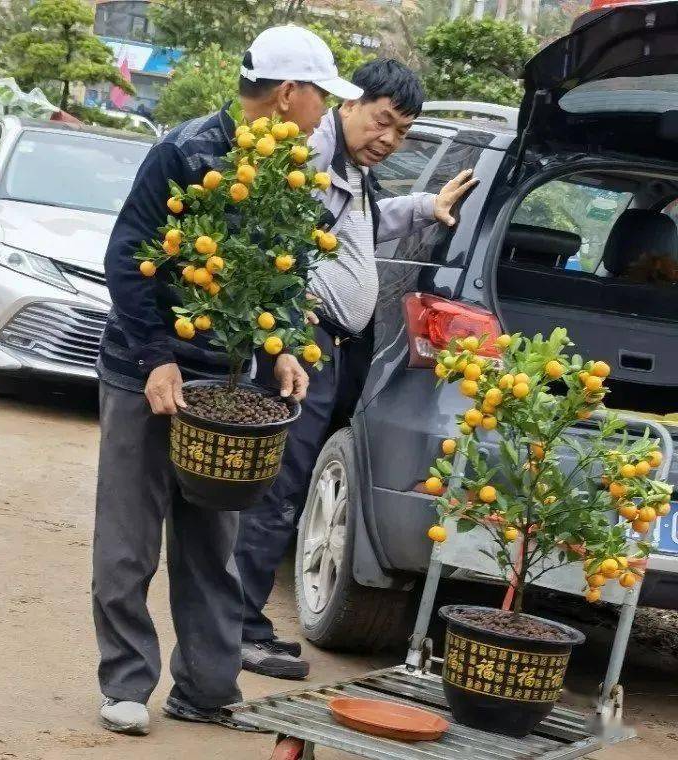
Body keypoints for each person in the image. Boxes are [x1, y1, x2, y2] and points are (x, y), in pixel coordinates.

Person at [93, 25, 363, 737]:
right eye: (320, 99)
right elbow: (128, 259)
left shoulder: (286, 174)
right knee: (129, 536)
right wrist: (157, 356)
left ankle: (206, 688)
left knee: (213, 539)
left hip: (226, 383)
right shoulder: (185, 154)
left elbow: (280, 274)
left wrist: (284, 349)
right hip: (143, 373)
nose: (324, 115)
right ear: (287, 95)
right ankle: (125, 683)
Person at [235, 59, 479, 680]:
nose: (389, 140)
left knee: (287, 483)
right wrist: (287, 329)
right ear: (348, 103)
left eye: (402, 133)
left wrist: (428, 205)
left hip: (332, 346)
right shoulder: (314, 155)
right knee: (279, 483)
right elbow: (274, 240)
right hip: (300, 344)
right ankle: (237, 625)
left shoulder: (348, 168)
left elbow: (356, 231)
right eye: (383, 121)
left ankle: (243, 617)